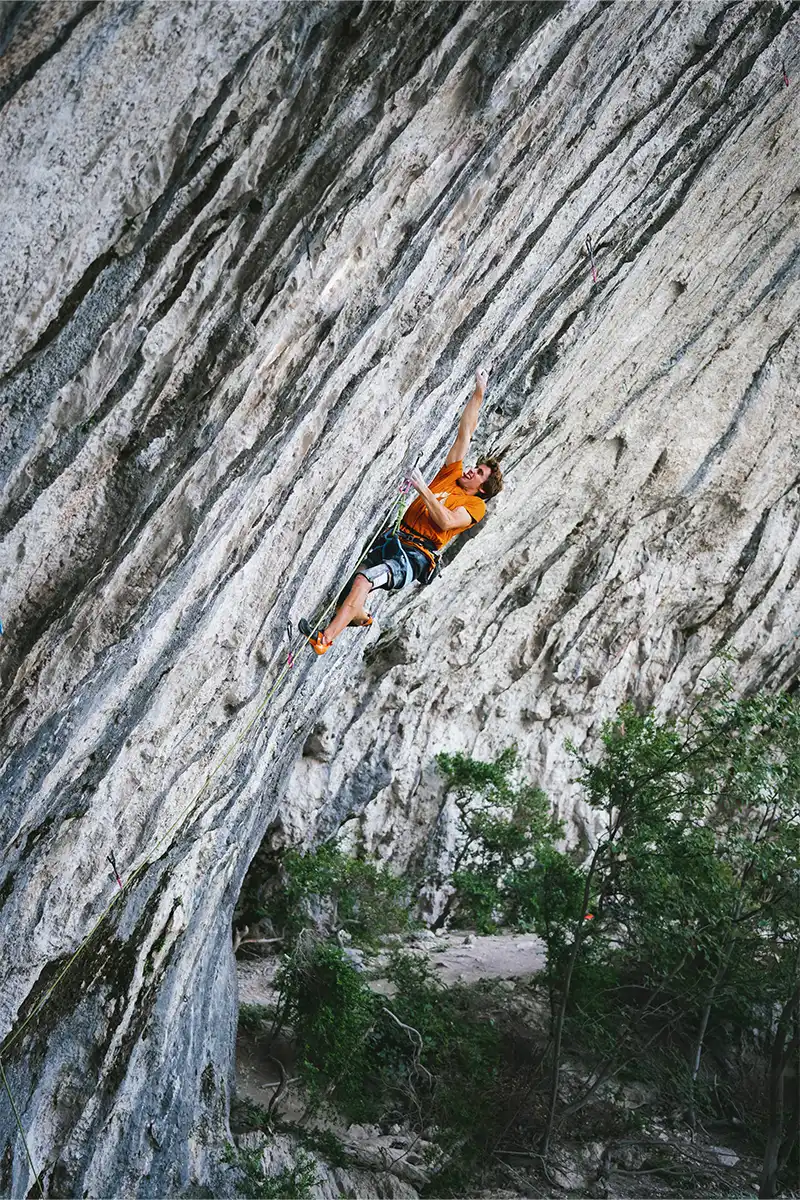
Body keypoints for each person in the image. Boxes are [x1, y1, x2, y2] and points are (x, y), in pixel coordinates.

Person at [301, 366, 503, 655]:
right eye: (476, 467)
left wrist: (422, 488)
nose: (471, 470)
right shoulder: (452, 475)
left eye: (479, 473)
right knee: (350, 588)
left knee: (364, 580)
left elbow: (446, 522)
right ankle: (359, 615)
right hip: (394, 540)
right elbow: (465, 433)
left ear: (482, 488)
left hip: (413, 557)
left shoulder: (475, 506)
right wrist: (479, 393)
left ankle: (324, 639)